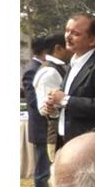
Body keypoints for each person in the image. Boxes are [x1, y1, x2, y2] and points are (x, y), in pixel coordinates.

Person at [44, 12, 95, 145]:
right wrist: (54, 106)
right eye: (67, 31)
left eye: (75, 33)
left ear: (92, 40)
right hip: (68, 142)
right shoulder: (74, 63)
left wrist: (65, 100)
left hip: (92, 146)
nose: (68, 37)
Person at [34, 33, 73, 165]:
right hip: (58, 136)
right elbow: (45, 109)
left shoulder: (60, 68)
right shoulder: (49, 72)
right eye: (68, 45)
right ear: (58, 48)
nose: (71, 50)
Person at [22, 35, 49, 187]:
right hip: (41, 127)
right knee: (42, 171)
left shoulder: (43, 67)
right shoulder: (32, 69)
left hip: (47, 128)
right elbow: (33, 100)